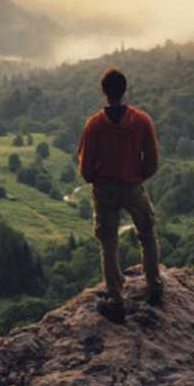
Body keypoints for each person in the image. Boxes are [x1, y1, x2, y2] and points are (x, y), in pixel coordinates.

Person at [76, 67, 163, 322]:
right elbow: (153, 161)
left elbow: (85, 166)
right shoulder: (141, 120)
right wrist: (137, 177)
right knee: (147, 234)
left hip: (105, 189)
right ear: (125, 90)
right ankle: (154, 287)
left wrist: (96, 179)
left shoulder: (94, 124)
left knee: (108, 241)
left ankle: (115, 297)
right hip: (133, 186)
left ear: (104, 91)